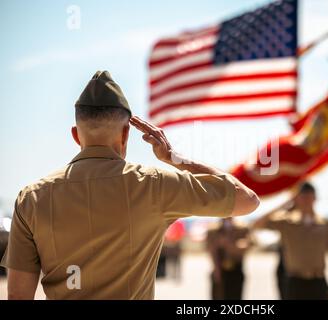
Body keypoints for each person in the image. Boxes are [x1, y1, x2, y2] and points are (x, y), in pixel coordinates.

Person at [0, 71, 259, 300]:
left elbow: (18, 294)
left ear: (76, 135)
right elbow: (247, 200)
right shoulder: (156, 185)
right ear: (125, 134)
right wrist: (175, 159)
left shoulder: (31, 198)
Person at [253, 182, 328, 300]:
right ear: (296, 199)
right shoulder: (286, 223)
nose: (306, 200)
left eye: (309, 196)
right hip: (295, 283)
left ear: (315, 198)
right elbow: (257, 224)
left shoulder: (326, 225)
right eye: (302, 196)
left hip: (318, 282)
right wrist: (285, 204)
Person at [207, 217, 250, 300]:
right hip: (219, 269)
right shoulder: (213, 229)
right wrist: (216, 269)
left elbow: (248, 244)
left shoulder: (242, 228)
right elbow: (210, 249)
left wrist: (229, 245)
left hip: (236, 269)